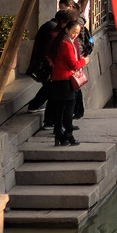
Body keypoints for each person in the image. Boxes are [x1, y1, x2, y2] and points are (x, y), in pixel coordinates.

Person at [25, 0, 79, 111]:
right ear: (64, 22)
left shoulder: (57, 31)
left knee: (51, 90)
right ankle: (37, 108)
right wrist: (53, 67)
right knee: (50, 90)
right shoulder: (53, 31)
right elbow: (46, 53)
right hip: (52, 68)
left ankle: (38, 108)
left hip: (56, 68)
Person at [43, 11, 87, 147]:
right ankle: (68, 135)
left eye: (77, 33)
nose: (75, 35)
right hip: (66, 81)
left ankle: (59, 136)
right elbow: (73, 64)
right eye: (73, 31)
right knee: (68, 110)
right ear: (66, 29)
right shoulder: (67, 44)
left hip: (57, 80)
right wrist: (84, 61)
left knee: (59, 109)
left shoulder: (59, 41)